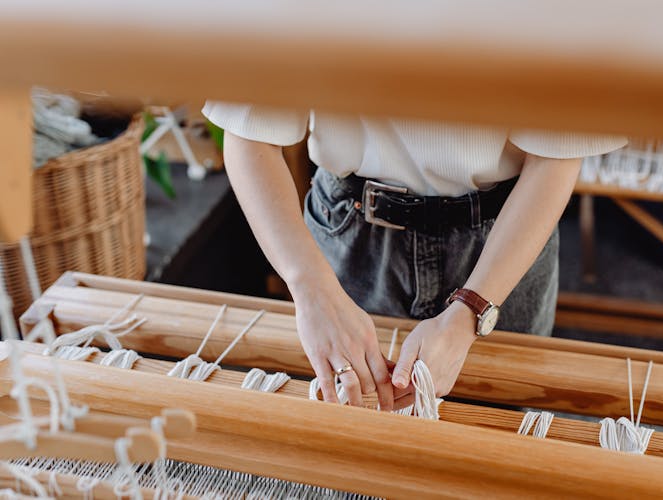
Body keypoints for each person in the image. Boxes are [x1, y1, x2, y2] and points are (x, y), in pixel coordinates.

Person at [203, 102, 626, 411]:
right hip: (346, 233)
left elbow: (556, 156)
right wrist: (311, 289)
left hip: (505, 237)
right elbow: (249, 135)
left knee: (494, 445)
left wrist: (472, 309)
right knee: (343, 434)